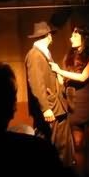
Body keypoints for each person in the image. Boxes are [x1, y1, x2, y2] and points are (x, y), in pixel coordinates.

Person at [50, 27, 89, 177]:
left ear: (83, 37)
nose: (70, 38)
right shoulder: (69, 56)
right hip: (74, 105)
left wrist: (59, 71)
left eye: (74, 35)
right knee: (78, 146)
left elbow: (83, 77)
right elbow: (63, 80)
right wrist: (56, 76)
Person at [25, 21, 73, 164]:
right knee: (52, 146)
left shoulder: (43, 53)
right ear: (48, 36)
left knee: (60, 145)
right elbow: (36, 83)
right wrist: (46, 108)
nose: (52, 37)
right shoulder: (35, 55)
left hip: (56, 107)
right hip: (51, 107)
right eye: (51, 34)